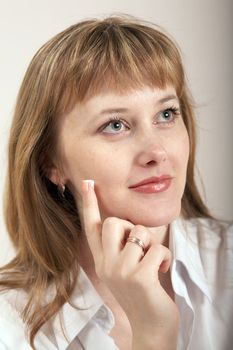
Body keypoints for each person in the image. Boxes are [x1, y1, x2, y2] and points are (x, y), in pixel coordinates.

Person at [0, 14, 232, 350]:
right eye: (115, 125)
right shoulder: (8, 324)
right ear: (50, 162)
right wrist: (153, 334)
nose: (156, 152)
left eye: (166, 114)